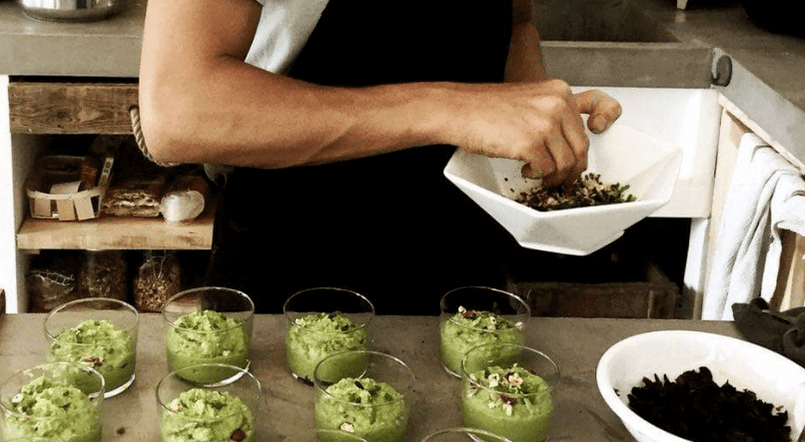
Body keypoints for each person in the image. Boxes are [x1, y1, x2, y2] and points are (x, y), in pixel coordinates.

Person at [136, 0, 623, 314]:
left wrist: (533, 111)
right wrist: (449, 107)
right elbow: (179, 110)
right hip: (290, 278)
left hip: (461, 273)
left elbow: (517, 21)